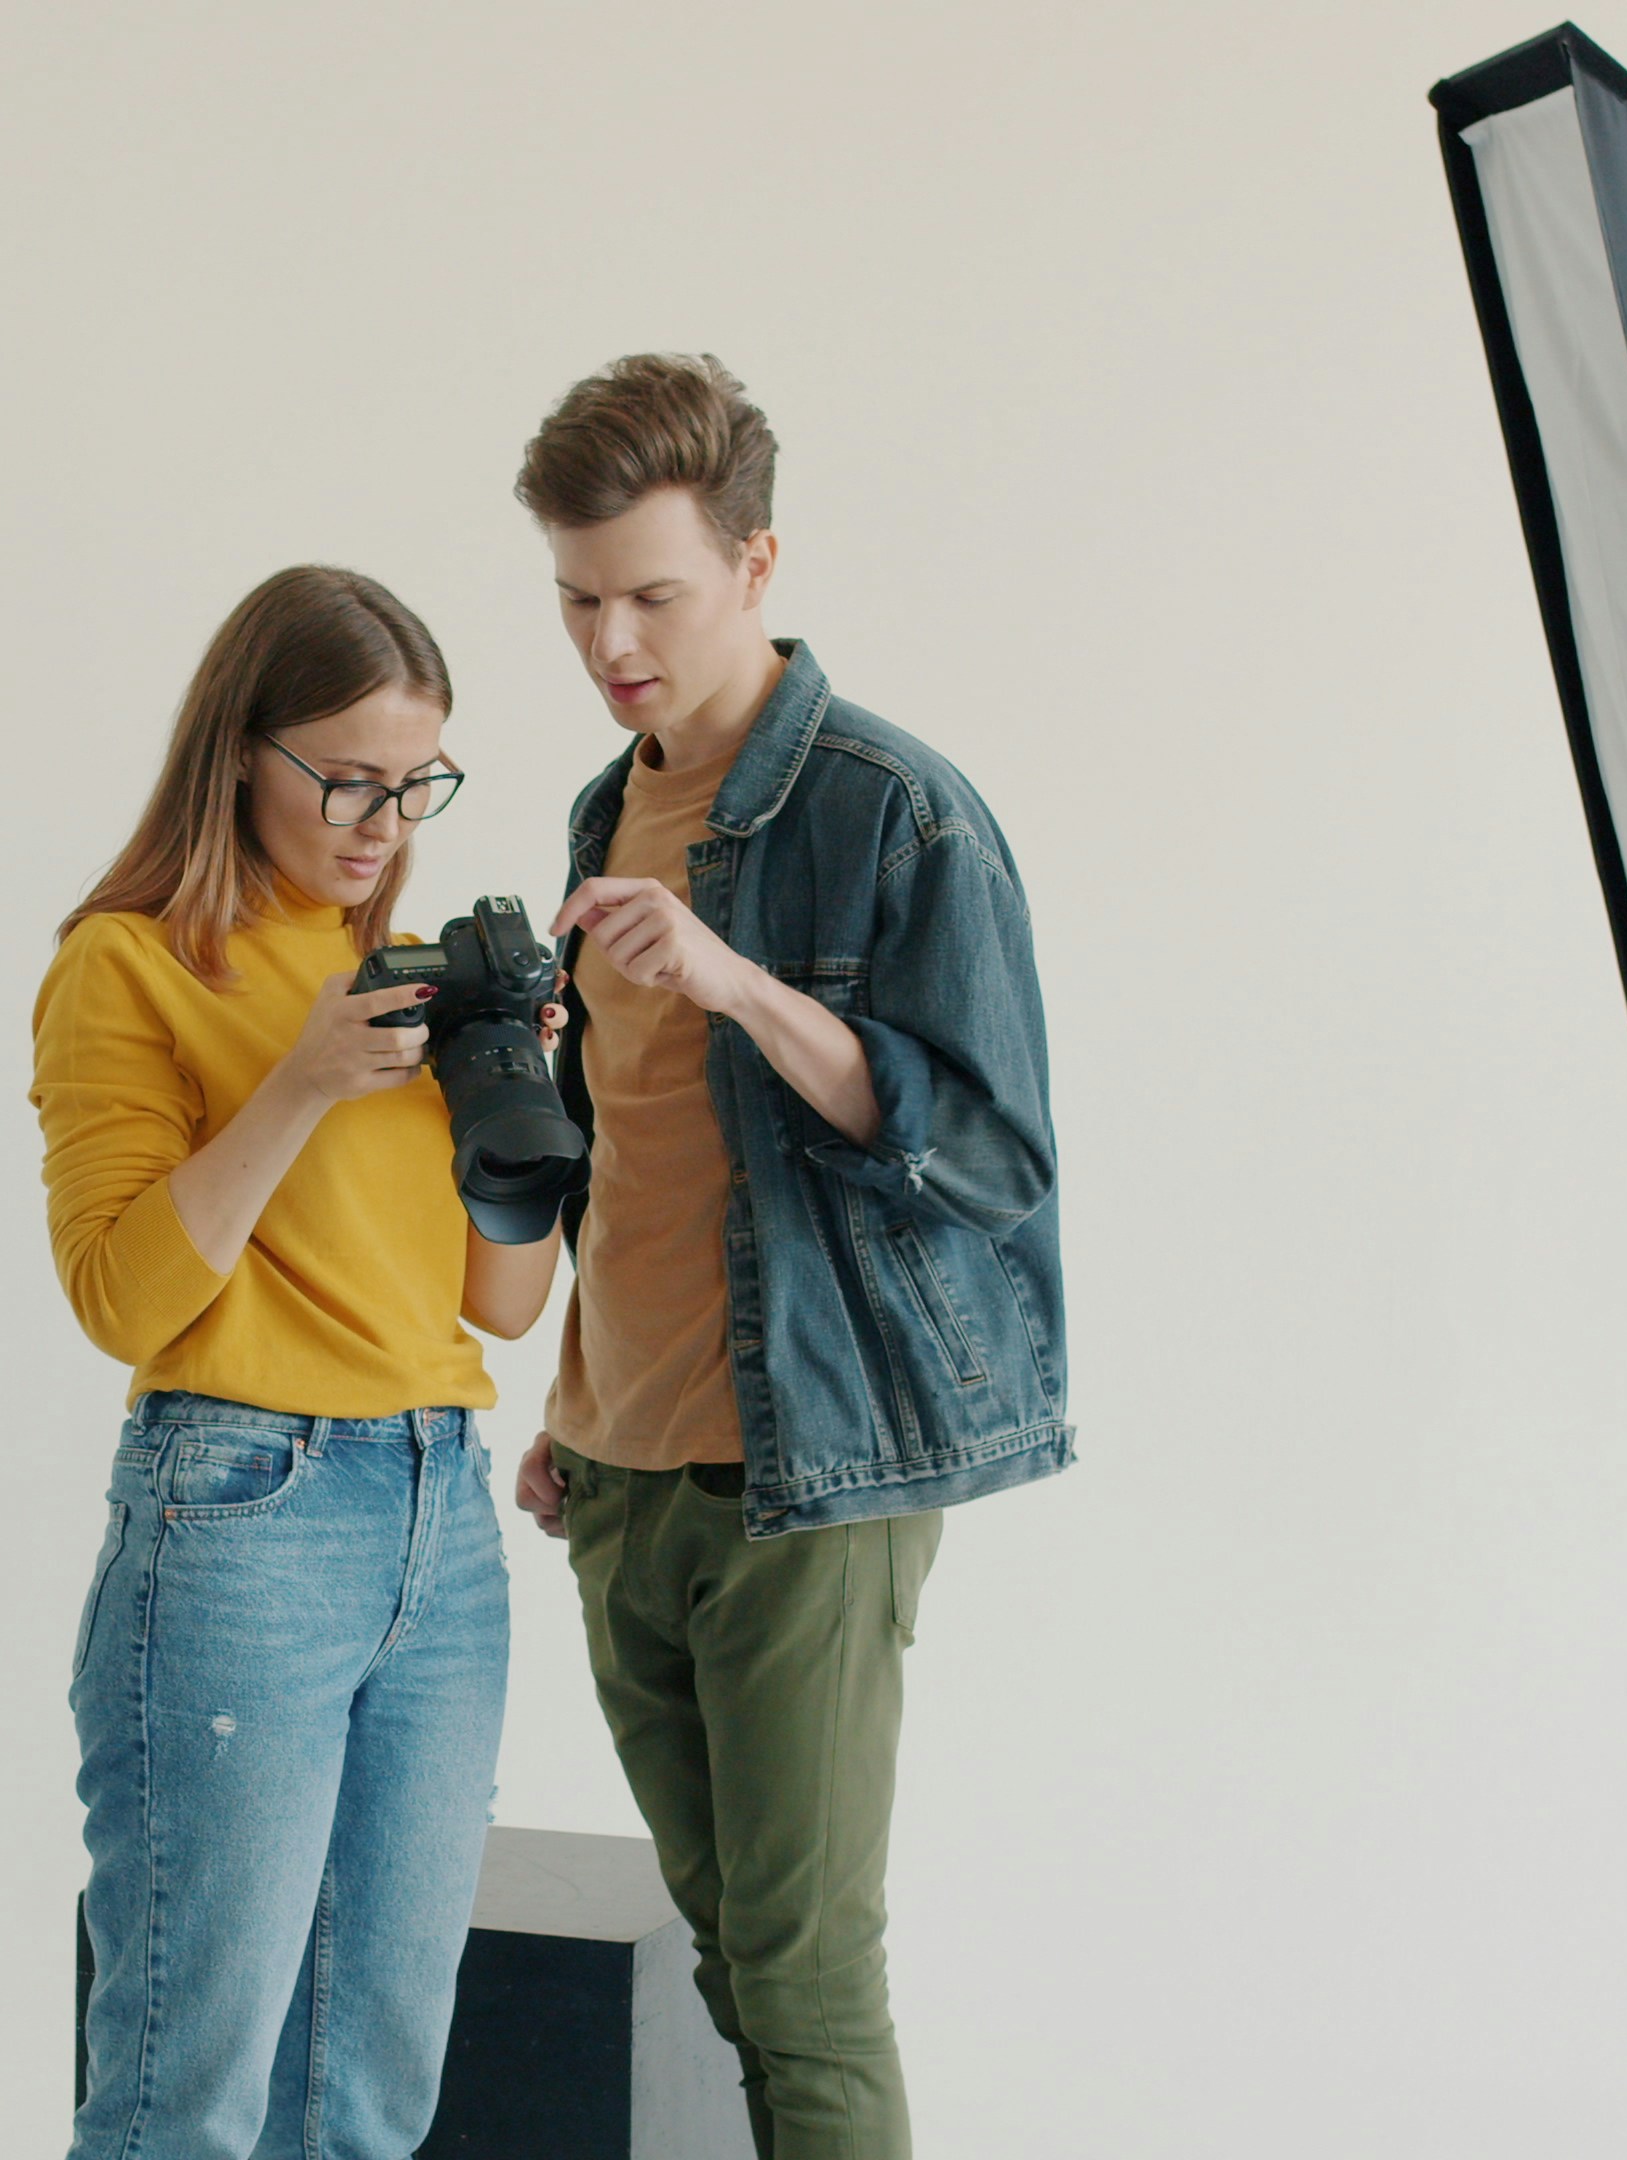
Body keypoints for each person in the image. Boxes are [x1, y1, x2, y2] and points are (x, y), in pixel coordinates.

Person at [509, 354, 1069, 2160]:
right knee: (735, 1971)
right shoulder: (608, 810)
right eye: (580, 599)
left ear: (758, 565)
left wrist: (745, 982)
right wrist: (573, 1397)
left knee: (809, 1985)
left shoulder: (894, 812)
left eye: (653, 595)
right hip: (619, 1467)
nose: (613, 641)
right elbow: (637, 1149)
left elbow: (989, 1156)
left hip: (806, 1478)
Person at [36, 564, 562, 2160]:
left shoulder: (420, 987)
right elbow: (120, 1298)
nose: (380, 823)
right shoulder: (130, 965)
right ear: (238, 753)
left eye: (414, 785)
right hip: (240, 1518)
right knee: (184, 2087)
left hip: (440, 1518)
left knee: (369, 2089)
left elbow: (506, 1306)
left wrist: (527, 1113)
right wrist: (299, 1083)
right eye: (345, 778)